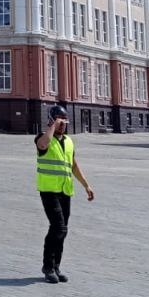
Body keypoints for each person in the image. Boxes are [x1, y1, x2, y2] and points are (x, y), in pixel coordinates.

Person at [34, 104, 95, 284]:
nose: (63, 124)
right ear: (52, 120)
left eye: (65, 121)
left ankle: (56, 266)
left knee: (62, 230)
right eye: (60, 121)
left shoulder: (68, 141)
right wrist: (52, 126)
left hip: (65, 191)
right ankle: (47, 267)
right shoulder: (42, 138)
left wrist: (86, 185)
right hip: (49, 191)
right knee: (58, 228)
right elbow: (43, 144)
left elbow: (73, 165)